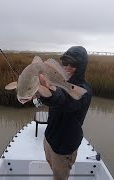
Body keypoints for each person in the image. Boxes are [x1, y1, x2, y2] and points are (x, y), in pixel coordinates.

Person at [37, 46, 93, 180]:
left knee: (60, 177)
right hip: (50, 138)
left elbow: (64, 100)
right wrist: (40, 94)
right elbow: (55, 99)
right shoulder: (59, 80)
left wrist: (49, 95)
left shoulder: (85, 90)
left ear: (81, 66)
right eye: (65, 63)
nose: (68, 67)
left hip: (65, 147)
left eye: (73, 64)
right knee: (51, 165)